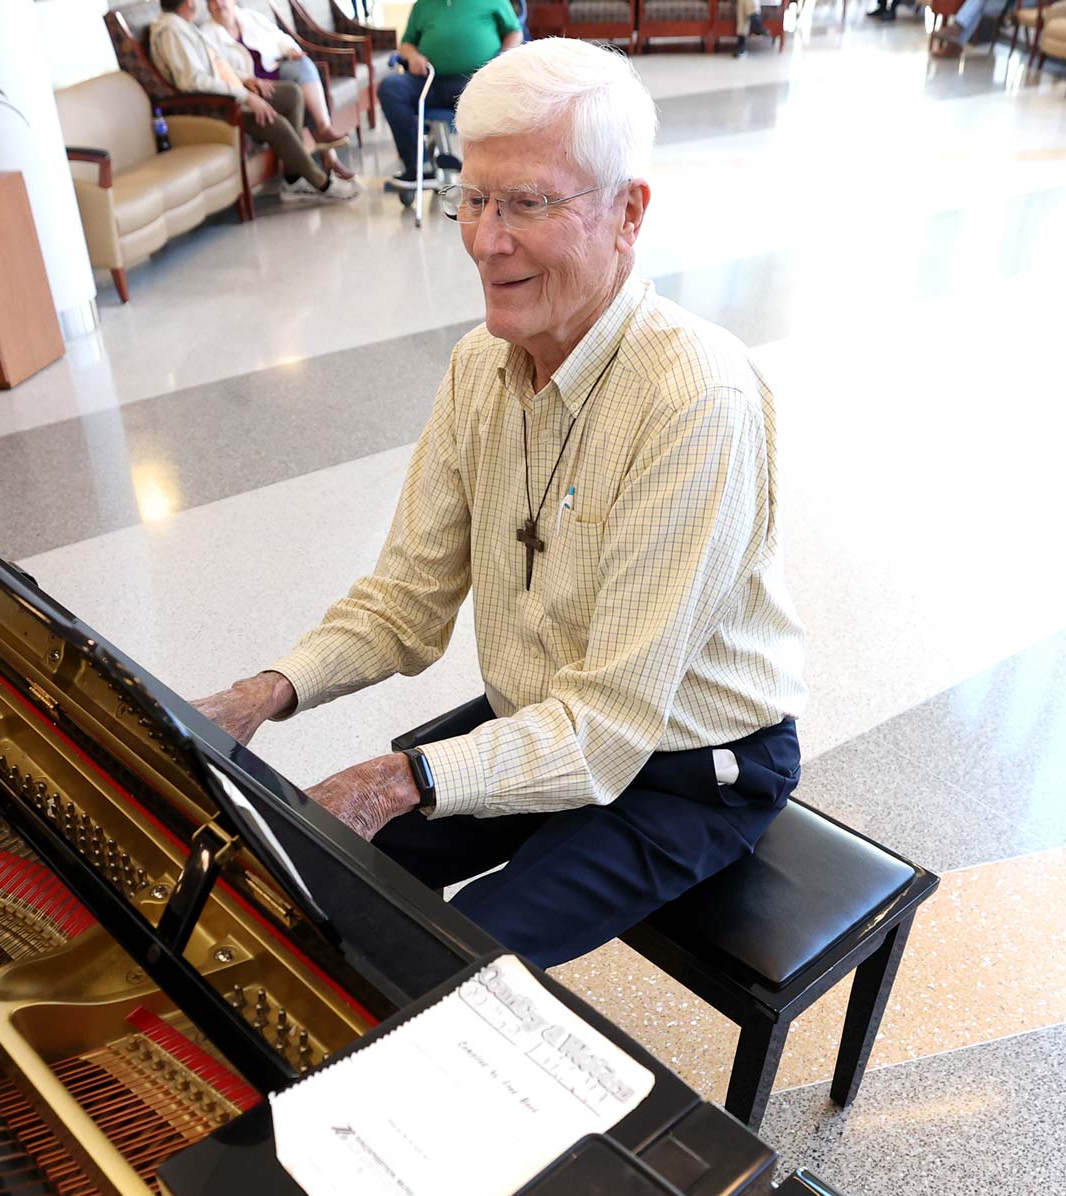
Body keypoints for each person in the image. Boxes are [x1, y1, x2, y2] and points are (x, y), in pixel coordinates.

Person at [191, 40, 806, 968]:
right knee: (304, 867)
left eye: (526, 203)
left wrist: (408, 773)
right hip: (554, 708)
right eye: (472, 197)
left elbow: (607, 732)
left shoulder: (694, 399)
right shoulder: (481, 365)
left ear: (627, 213)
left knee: (436, 960)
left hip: (689, 763)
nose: (484, 239)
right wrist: (262, 692)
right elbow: (405, 600)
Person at [149, 0, 361, 201]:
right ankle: (323, 183)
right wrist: (248, 97)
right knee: (273, 120)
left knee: (292, 94)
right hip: (216, 107)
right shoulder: (172, 31)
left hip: (230, 92)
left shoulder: (182, 26)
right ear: (189, 2)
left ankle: (292, 179)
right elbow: (193, 82)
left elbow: (218, 67)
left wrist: (247, 80)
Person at [202, 0, 356, 181]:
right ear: (207, 6)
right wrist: (247, 79)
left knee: (303, 65)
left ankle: (324, 129)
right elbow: (221, 70)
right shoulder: (206, 35)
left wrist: (290, 50)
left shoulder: (250, 17)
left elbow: (280, 37)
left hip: (274, 70)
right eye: (212, 1)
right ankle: (328, 159)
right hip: (252, 86)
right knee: (299, 94)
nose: (219, 4)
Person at [379, 0, 522, 191]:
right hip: (429, 80)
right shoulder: (423, 5)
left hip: (474, 80)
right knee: (391, 87)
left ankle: (488, 171)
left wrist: (502, 58)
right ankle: (419, 166)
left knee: (496, 97)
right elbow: (406, 43)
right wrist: (413, 56)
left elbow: (514, 31)